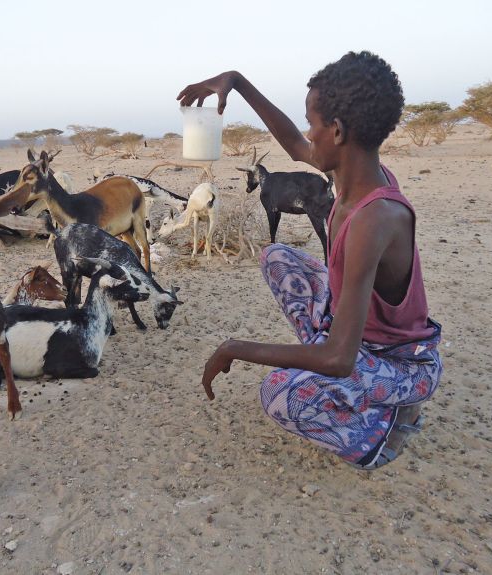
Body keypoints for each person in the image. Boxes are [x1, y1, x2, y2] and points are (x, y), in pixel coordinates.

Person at [177, 51, 443, 470]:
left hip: (400, 363)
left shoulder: (375, 218)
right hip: (355, 335)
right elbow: (295, 145)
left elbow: (340, 358)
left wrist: (234, 348)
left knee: (281, 396)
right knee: (277, 258)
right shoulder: (355, 174)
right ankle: (337, 366)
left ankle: (385, 427)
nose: (307, 135)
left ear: (335, 131)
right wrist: (237, 81)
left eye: (313, 124)